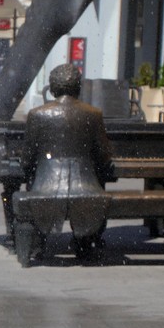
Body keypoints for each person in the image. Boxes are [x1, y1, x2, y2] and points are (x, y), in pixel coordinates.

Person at [18, 63, 113, 254]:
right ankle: (85, 241)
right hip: (87, 187)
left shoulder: (37, 115)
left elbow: (27, 159)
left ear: (52, 89)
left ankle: (38, 242)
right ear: (78, 87)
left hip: (45, 187)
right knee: (99, 179)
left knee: (32, 181)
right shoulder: (94, 114)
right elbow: (104, 155)